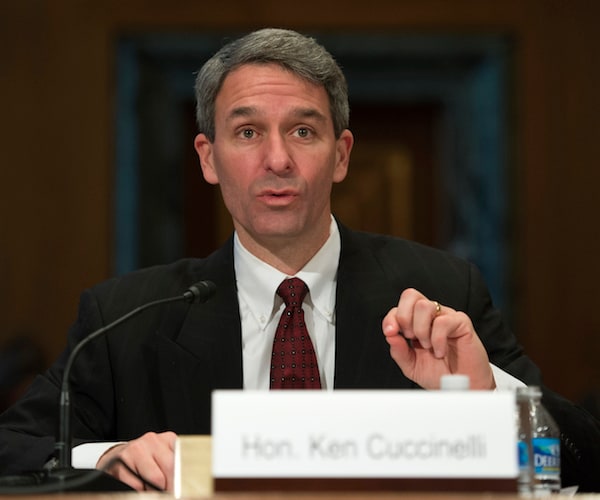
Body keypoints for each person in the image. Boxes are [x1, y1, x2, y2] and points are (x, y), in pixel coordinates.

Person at [1, 27, 599, 492]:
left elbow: (580, 463)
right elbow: (16, 446)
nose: (278, 160)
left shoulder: (442, 291)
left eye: (304, 132)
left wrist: (487, 392)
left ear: (341, 156)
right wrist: (106, 456)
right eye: (247, 132)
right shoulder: (125, 318)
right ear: (208, 159)